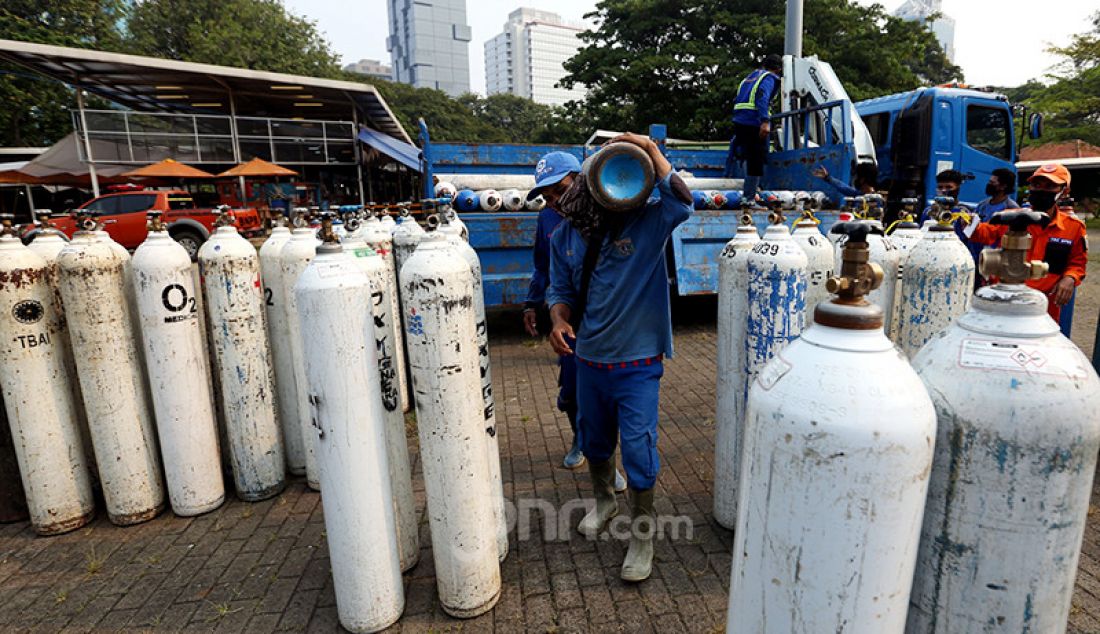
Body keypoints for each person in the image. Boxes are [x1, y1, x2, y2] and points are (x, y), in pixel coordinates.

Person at [545, 132, 692, 582]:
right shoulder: (564, 236)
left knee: (640, 452)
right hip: (588, 360)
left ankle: (642, 535)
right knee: (594, 442)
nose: (560, 199)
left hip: (638, 365)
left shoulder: (648, 224)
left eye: (564, 188)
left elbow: (685, 201)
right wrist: (557, 319)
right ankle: (605, 501)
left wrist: (649, 150)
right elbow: (560, 290)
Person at [523, 151, 627, 490]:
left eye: (559, 189)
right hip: (571, 321)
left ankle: (610, 464)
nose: (553, 200)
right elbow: (543, 267)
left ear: (579, 180)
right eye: (547, 195)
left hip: (610, 322)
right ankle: (578, 438)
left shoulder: (610, 208)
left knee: (609, 397)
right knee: (570, 393)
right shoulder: (547, 220)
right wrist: (531, 303)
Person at [964, 162, 1086, 322]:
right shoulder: (1010, 217)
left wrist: (1069, 278)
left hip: (1044, 307)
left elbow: (1077, 263)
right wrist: (968, 223)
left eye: (1049, 186)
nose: (1041, 190)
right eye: (1036, 184)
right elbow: (985, 233)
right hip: (1004, 297)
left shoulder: (1073, 227)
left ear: (1064, 191)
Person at [725, 54, 783, 204]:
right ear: (778, 69)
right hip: (753, 121)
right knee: (756, 159)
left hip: (739, 120)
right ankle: (749, 198)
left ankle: (749, 191)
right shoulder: (769, 78)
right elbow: (762, 97)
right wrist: (765, 121)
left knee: (747, 156)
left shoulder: (750, 77)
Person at [967, 168, 1020, 279]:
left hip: (993, 260)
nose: (988, 185)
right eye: (989, 182)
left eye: (992, 183)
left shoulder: (1011, 209)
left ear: (1003, 186)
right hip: (975, 256)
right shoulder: (982, 205)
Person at [811, 163, 878, 198]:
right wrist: (827, 177)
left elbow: (845, 189)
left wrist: (828, 178)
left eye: (857, 177)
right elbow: (845, 188)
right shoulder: (860, 194)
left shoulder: (873, 200)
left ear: (862, 180)